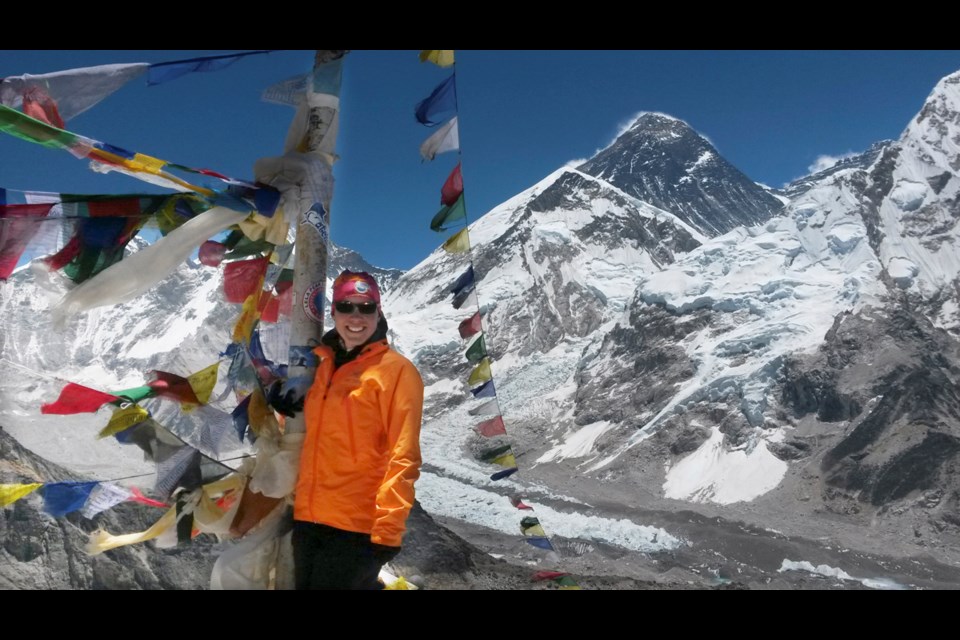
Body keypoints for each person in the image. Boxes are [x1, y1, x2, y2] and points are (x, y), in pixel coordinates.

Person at [292, 270, 424, 589]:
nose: (356, 316)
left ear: (378, 313)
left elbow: (403, 456)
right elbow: (316, 436)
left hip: (356, 528)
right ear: (333, 312)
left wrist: (388, 528)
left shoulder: (397, 372)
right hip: (308, 520)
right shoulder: (321, 366)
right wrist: (284, 409)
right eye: (347, 306)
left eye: (366, 307)